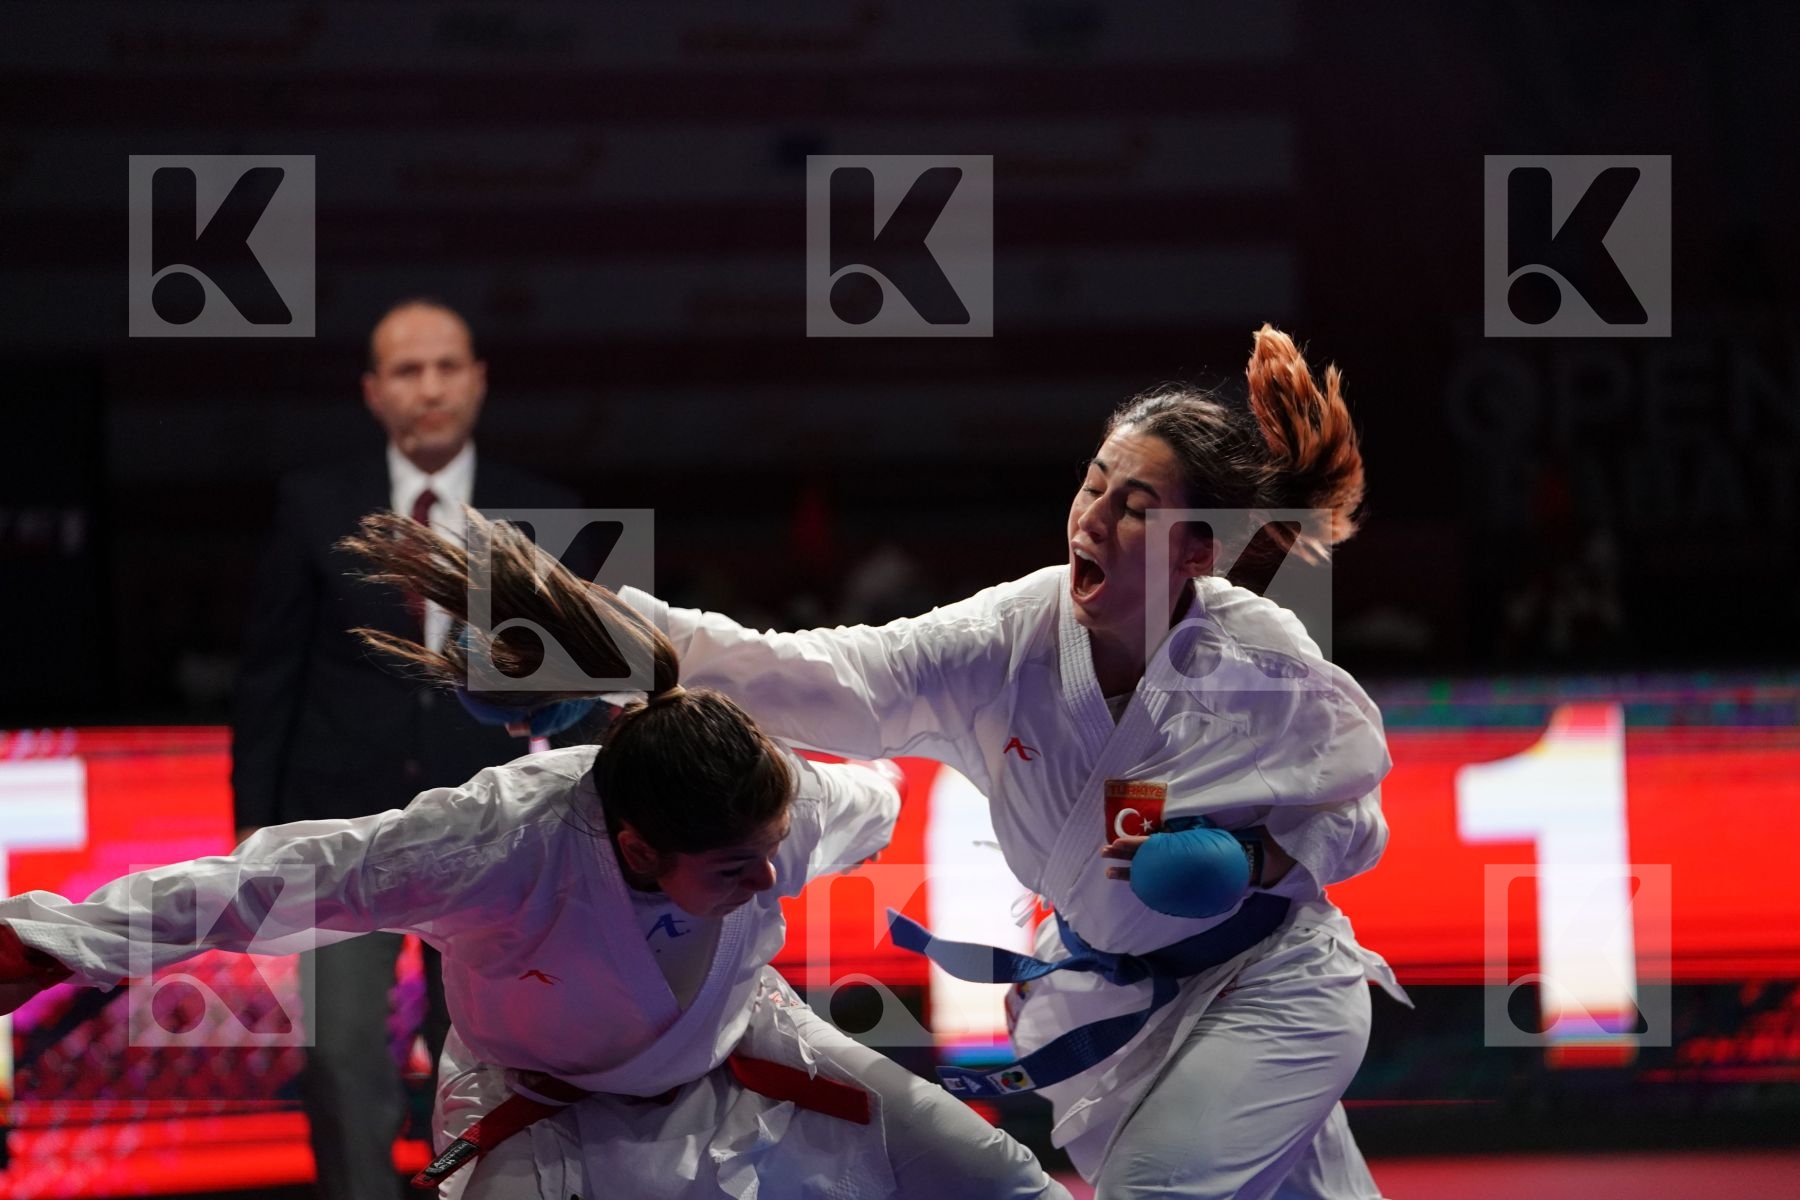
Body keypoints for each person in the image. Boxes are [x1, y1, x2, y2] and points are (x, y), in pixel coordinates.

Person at [1, 511, 1072, 1200]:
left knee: (1003, 1181)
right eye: (736, 870)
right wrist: (59, 939)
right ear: (640, 848)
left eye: (771, 852)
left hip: (749, 1059)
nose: (770, 877)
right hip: (536, 1106)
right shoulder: (500, 842)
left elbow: (878, 798)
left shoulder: (774, 810)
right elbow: (274, 879)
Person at [613, 325, 1409, 1199]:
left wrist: (1259, 860)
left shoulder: (1259, 661)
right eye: (1093, 484)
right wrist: (611, 649)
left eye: (1136, 506)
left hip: (1269, 989)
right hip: (1111, 1001)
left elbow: (1355, 819)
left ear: (1197, 550)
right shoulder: (1009, 641)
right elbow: (822, 672)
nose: (1094, 518)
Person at [230, 298, 585, 1198]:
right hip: (338, 827)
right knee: (343, 1060)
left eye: (446, 367)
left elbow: (588, 694)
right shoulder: (313, 503)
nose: (429, 387)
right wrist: (256, 842)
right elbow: (271, 676)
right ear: (373, 391)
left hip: (494, 838)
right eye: (406, 370)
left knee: (488, 1059)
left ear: (477, 380)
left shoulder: (547, 512)